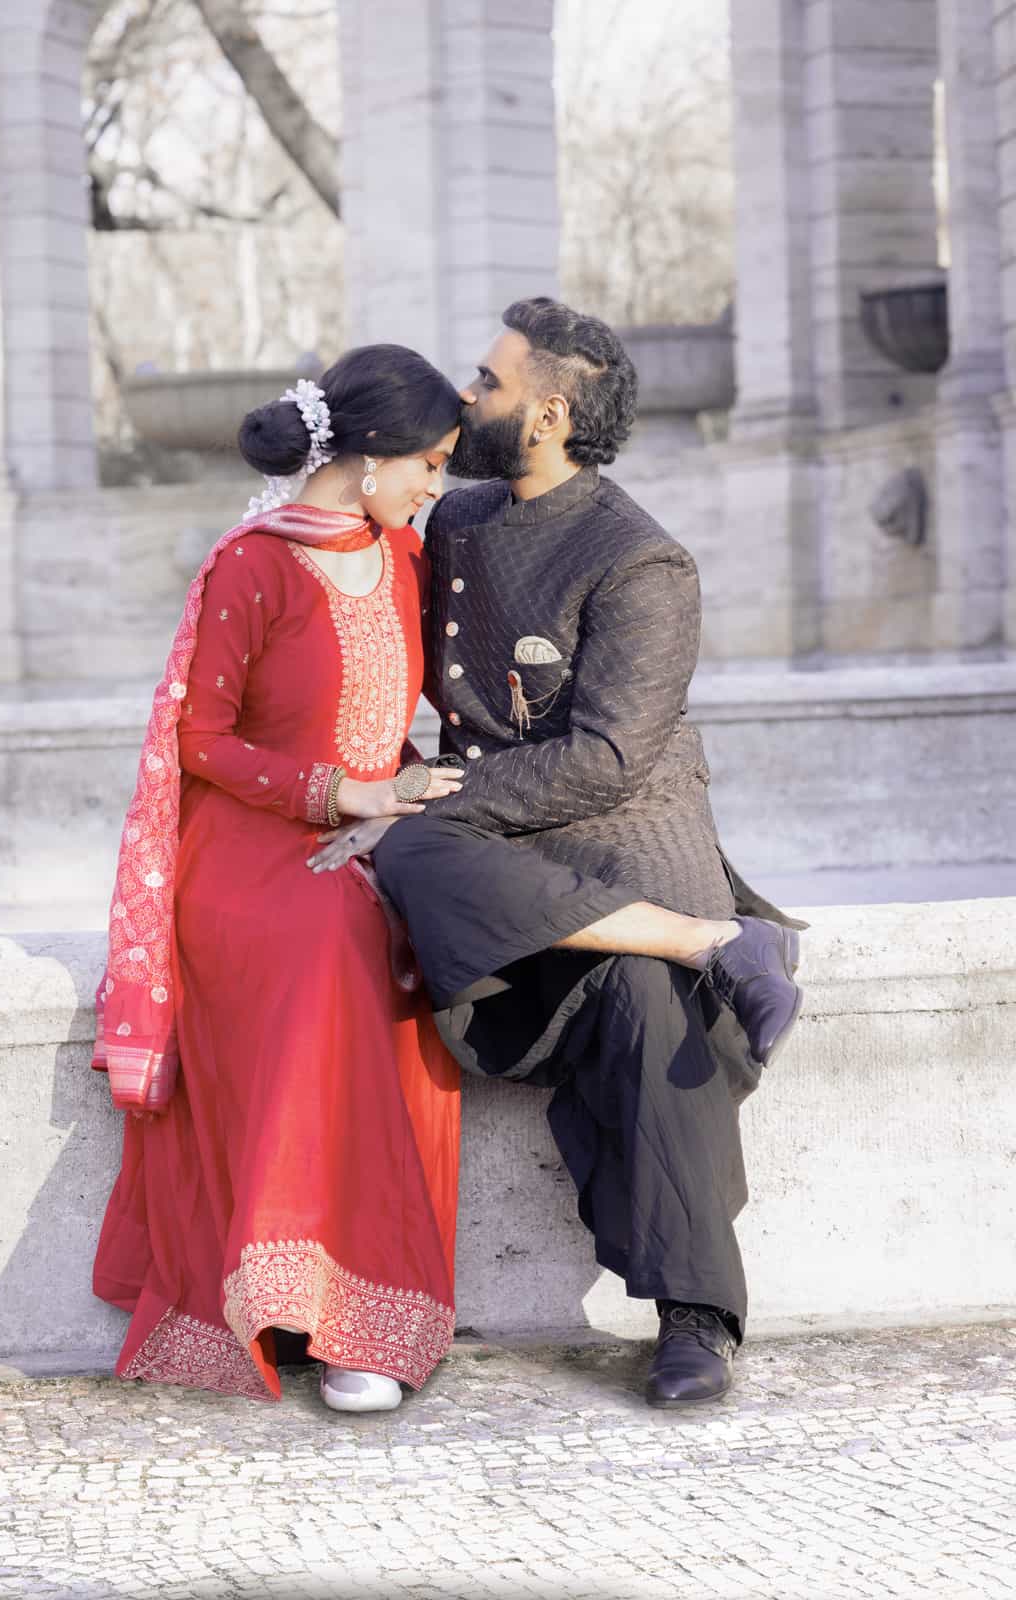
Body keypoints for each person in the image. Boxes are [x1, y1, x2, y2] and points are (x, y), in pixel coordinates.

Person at [308, 297, 806, 1410]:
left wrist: (439, 800)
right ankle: (713, 944)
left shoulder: (641, 562)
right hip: (499, 878)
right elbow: (360, 620)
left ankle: (695, 1317)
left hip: (620, 860)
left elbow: (609, 759)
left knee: (645, 996)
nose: (466, 394)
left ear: (549, 414)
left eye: (488, 381)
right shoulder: (456, 521)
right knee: (411, 859)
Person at [90, 346, 469, 1413]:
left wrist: (399, 795)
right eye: (430, 463)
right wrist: (335, 792)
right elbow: (201, 739)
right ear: (374, 453)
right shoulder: (252, 567)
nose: (435, 486)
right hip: (253, 847)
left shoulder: (405, 556)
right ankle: (336, 1315)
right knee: (332, 944)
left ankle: (357, 1297)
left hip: (374, 829)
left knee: (429, 931)